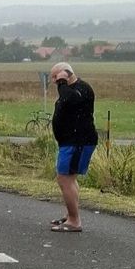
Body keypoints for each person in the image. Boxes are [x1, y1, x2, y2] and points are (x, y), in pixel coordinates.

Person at [49, 62, 97, 232]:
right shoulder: (70, 89)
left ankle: (74, 221)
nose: (54, 81)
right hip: (70, 141)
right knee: (69, 179)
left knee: (64, 179)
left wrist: (62, 82)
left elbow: (68, 99)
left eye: (56, 77)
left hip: (78, 141)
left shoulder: (81, 89)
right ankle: (71, 215)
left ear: (65, 74)